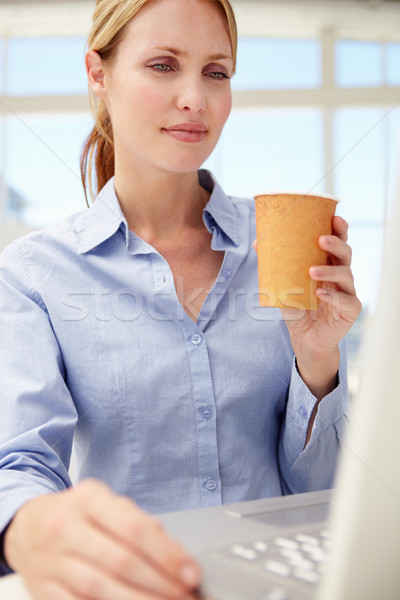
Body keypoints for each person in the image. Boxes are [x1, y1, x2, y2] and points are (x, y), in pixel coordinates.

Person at [0, 0, 362, 598]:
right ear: (98, 73)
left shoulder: (282, 249)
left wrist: (318, 360)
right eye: (164, 65)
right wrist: (32, 527)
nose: (195, 97)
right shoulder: (33, 275)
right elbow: (18, 466)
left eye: (217, 72)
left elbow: (322, 495)